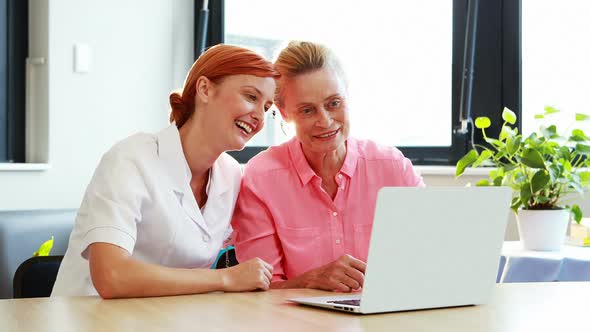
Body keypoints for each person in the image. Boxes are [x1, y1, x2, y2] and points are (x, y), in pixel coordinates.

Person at [51, 44, 278, 298]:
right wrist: (224, 278)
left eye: (267, 108)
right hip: (91, 319)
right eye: (251, 97)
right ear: (205, 89)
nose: (259, 116)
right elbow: (111, 276)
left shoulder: (232, 175)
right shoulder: (131, 159)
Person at [231, 41, 425, 293]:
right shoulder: (261, 178)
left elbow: (428, 255)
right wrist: (310, 280)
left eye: (333, 103)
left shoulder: (393, 168)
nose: (325, 121)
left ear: (347, 96)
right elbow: (260, 289)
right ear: (284, 112)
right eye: (307, 110)